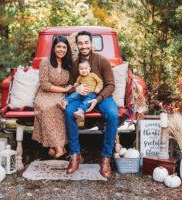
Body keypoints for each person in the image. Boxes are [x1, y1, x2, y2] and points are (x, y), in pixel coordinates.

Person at [65, 31, 118, 177]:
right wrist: (77, 88)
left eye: (86, 42)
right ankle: (76, 155)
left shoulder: (102, 60)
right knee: (69, 112)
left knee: (113, 114)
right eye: (80, 43)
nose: (84, 46)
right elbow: (70, 85)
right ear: (77, 45)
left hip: (101, 97)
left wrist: (98, 99)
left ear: (91, 43)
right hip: (81, 98)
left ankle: (105, 157)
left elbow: (111, 85)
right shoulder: (75, 64)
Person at [32, 35, 73, 158]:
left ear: (67, 49)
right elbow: (44, 84)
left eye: (64, 47)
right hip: (46, 93)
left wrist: (67, 89)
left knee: (58, 107)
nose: (61, 49)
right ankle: (59, 147)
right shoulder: (46, 62)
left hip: (61, 94)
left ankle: (52, 147)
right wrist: (64, 88)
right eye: (58, 46)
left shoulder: (69, 63)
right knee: (45, 108)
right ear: (54, 48)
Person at [57, 57, 103, 121]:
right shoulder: (79, 77)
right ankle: (64, 102)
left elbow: (100, 81)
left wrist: (98, 88)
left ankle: (80, 111)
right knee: (74, 95)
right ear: (78, 70)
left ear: (89, 69)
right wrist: (76, 85)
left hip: (91, 93)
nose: (84, 70)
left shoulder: (93, 75)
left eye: (86, 68)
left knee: (87, 102)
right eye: (81, 69)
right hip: (80, 93)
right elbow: (77, 83)